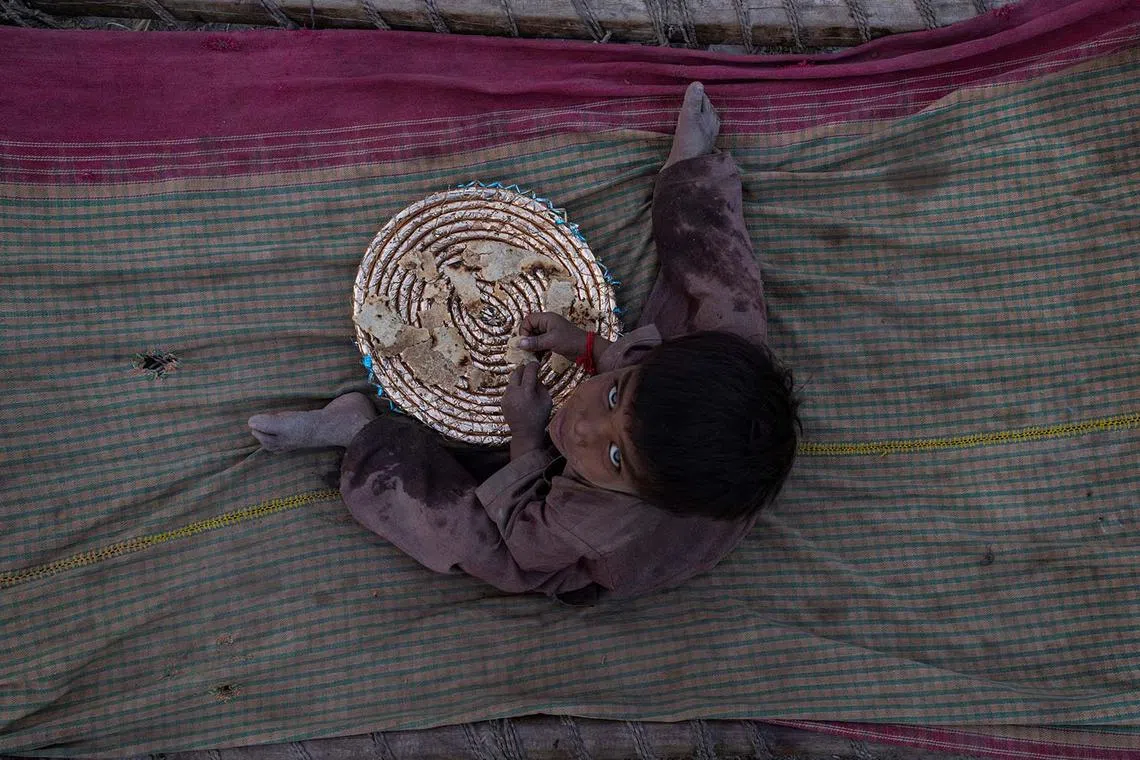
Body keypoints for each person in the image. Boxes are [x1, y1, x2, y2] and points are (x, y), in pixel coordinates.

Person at [248, 82, 800, 603]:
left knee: (478, 546)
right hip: (688, 412)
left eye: (612, 456)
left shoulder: (593, 522)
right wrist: (581, 343)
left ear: (631, 487)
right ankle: (689, 172)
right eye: (612, 396)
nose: (582, 425)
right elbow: (643, 364)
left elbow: (525, 537)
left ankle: (360, 437)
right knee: (723, 292)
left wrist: (528, 439)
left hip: (600, 551)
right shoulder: (708, 365)